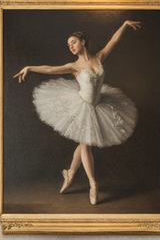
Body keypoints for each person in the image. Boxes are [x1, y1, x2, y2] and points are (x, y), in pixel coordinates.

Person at [14, 21, 141, 205]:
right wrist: (29, 67)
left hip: (100, 104)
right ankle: (93, 184)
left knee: (84, 143)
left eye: (73, 42)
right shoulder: (74, 66)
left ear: (82, 42)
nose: (70, 46)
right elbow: (51, 69)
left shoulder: (99, 58)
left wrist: (125, 24)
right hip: (82, 105)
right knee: (86, 143)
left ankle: (70, 173)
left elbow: (113, 41)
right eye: (68, 45)